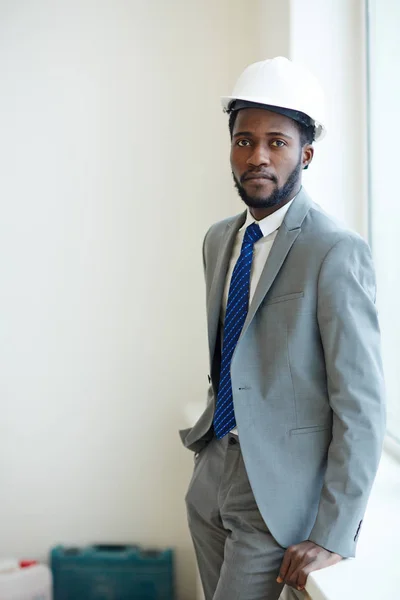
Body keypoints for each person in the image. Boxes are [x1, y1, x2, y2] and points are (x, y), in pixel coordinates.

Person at [180, 56, 386, 600]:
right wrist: (208, 457)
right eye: (245, 141)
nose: (259, 156)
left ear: (306, 154)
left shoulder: (334, 250)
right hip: (212, 469)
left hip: (275, 491)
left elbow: (361, 403)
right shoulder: (219, 240)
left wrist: (335, 532)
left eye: (277, 142)